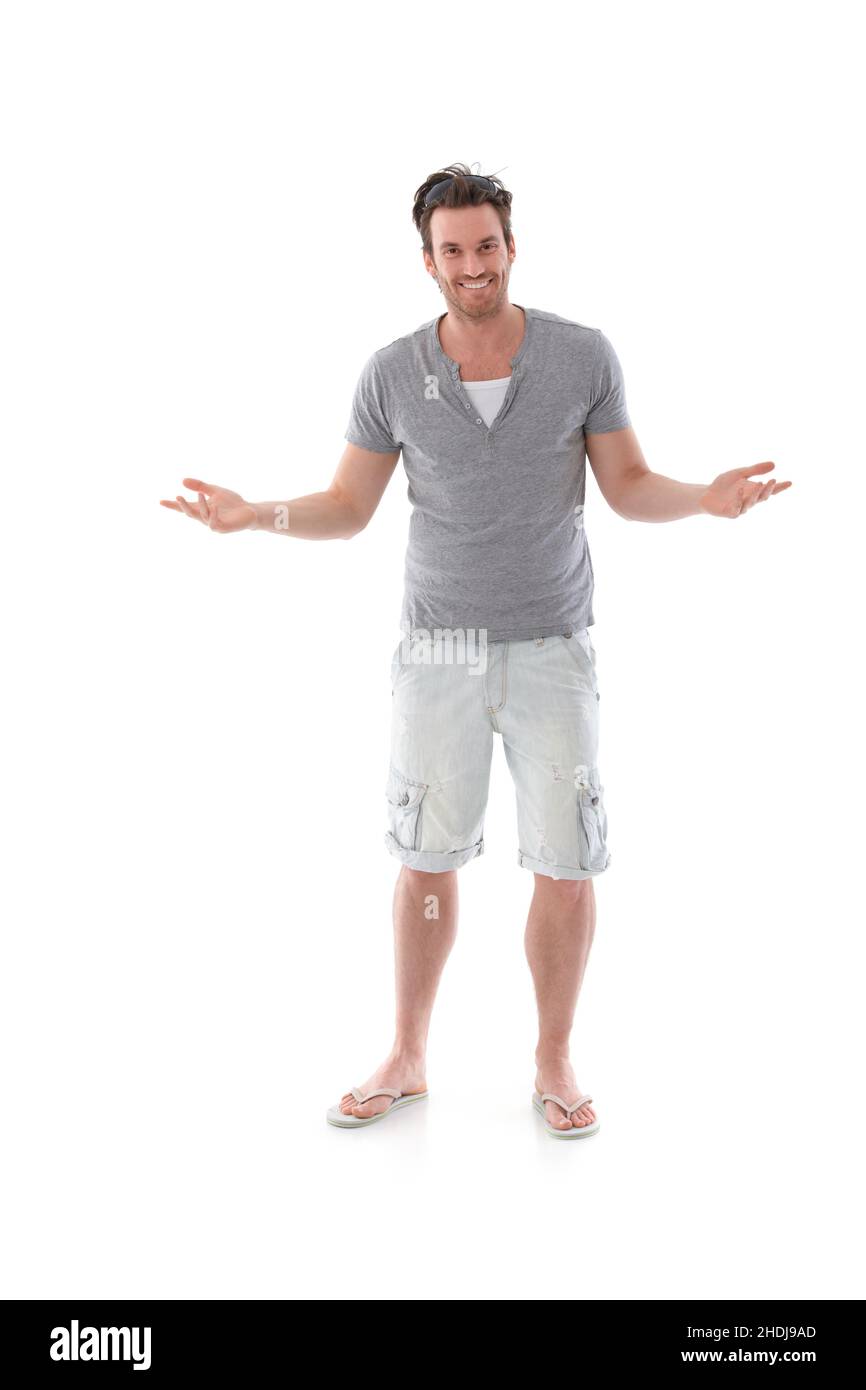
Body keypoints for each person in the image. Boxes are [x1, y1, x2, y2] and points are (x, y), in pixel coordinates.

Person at [161, 163, 791, 1139]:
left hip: (551, 646)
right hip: (438, 650)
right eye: (451, 250)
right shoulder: (391, 373)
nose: (471, 265)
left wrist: (706, 499)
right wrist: (256, 515)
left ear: (511, 246)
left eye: (485, 245)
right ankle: (407, 1054)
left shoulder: (580, 356)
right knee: (424, 861)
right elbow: (349, 506)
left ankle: (553, 1058)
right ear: (427, 260)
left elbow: (626, 486)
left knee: (565, 862)